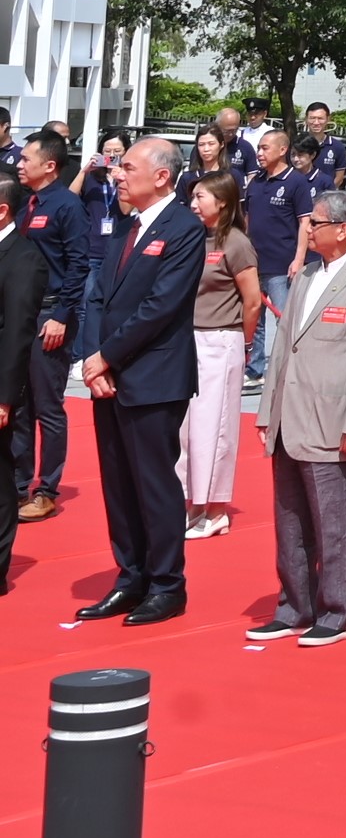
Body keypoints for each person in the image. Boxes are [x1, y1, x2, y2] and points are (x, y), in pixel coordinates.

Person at [247, 190, 346, 647]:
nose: (308, 230)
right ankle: (294, 605)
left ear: (344, 230)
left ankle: (337, 610)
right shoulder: (307, 275)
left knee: (337, 521)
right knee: (289, 519)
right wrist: (267, 409)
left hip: (334, 421)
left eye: (317, 223)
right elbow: (283, 347)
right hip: (291, 417)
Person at [75, 138, 206, 626]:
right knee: (118, 484)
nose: (117, 175)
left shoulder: (184, 228)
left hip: (153, 376)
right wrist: (96, 359)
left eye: (127, 167)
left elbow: (161, 305)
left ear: (162, 176)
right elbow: (99, 298)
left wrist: (107, 357)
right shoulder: (127, 227)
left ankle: (167, 584)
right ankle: (130, 577)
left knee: (153, 484)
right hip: (110, 374)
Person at [178, 172, 261, 540]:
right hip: (188, 340)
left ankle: (215, 510)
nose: (194, 204)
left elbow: (253, 301)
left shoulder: (236, 243)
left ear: (223, 202)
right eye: (193, 197)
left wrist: (240, 343)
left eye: (201, 198)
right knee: (186, 430)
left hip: (221, 340)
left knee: (215, 426)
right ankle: (192, 503)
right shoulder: (194, 237)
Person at [13, 130, 85, 523]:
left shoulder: (66, 206)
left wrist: (62, 315)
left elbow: (79, 264)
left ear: (50, 165)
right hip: (21, 316)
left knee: (47, 406)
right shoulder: (24, 205)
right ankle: (19, 484)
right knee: (18, 402)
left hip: (50, 315)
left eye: (26, 159)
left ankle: (47, 488)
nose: (20, 165)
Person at [0, 180, 47, 591]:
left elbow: (17, 332)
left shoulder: (24, 258)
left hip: (0, 383)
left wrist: (5, 396)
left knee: (0, 476)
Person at [242, 130, 314, 388]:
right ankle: (254, 369)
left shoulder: (296, 182)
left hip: (282, 264)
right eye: (258, 149)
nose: (259, 154)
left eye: (264, 148)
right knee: (253, 318)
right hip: (253, 264)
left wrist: (299, 258)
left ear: (282, 150)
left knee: (284, 318)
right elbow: (248, 220)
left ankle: (289, 368)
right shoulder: (256, 182)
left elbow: (305, 222)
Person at [68, 129, 126, 361]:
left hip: (117, 248)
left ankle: (105, 352)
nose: (111, 156)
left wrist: (121, 177)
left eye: (117, 152)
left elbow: (127, 209)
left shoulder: (128, 177)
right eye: (107, 151)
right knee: (86, 305)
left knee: (111, 305)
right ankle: (80, 355)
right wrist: (85, 170)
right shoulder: (92, 178)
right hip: (92, 248)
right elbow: (70, 198)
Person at [175, 124, 233, 202]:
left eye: (211, 144)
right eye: (201, 145)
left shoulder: (232, 176)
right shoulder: (187, 178)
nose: (206, 149)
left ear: (221, 144)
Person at [301, 102, 346, 190]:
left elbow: (339, 177)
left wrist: (326, 195)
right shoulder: (297, 144)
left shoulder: (337, 146)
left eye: (320, 118)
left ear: (328, 119)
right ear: (306, 119)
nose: (316, 122)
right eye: (312, 118)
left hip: (325, 197)